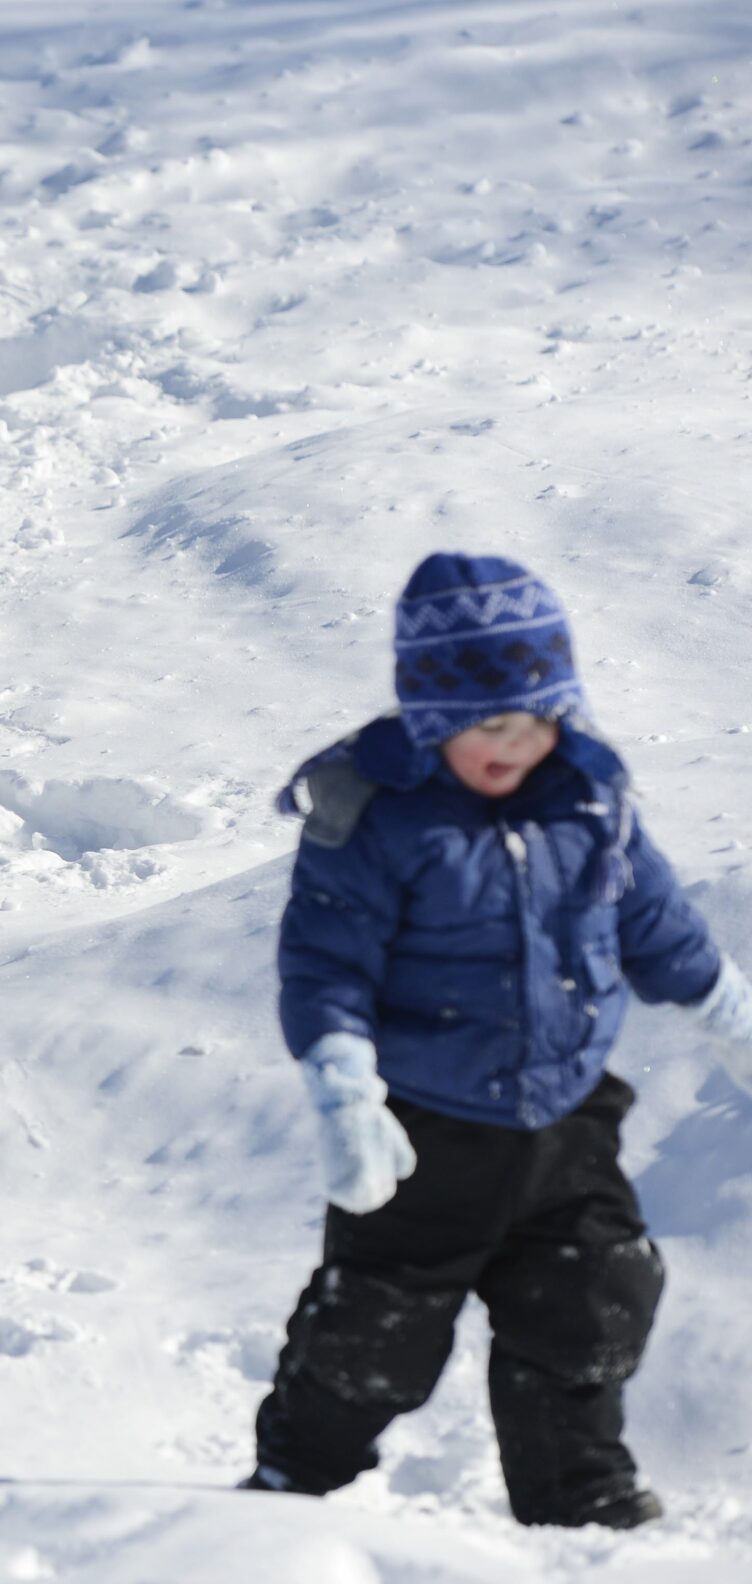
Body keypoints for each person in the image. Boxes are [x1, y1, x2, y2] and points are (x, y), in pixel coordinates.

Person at [246, 552, 752, 1527]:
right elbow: (326, 966)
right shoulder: (378, 820)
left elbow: (655, 925)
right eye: (488, 725)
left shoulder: (588, 801)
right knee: (375, 1332)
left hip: (566, 1123)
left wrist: (727, 1012)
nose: (513, 745)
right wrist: (344, 1089)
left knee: (592, 1300)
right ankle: (288, 1490)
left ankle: (580, 1496)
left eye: (535, 720)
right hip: (426, 1132)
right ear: (433, 718)